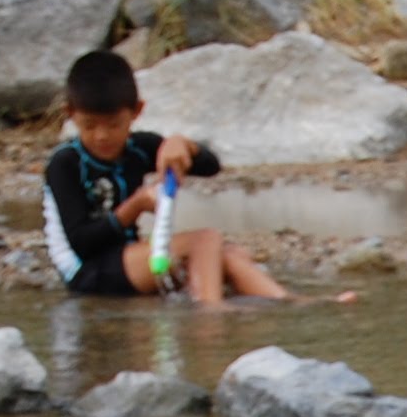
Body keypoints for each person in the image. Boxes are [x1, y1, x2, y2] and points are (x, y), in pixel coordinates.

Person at [43, 48, 289, 302]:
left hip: (127, 258)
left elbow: (210, 166)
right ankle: (211, 315)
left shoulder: (138, 148)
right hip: (86, 271)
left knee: (228, 254)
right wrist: (135, 206)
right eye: (89, 125)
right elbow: (82, 243)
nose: (102, 136)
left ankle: (291, 302)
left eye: (114, 124)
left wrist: (182, 144)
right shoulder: (65, 164)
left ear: (137, 111)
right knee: (205, 241)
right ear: (70, 114)